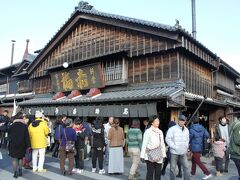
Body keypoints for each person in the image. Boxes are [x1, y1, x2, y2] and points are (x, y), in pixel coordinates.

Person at [140, 115, 166, 180]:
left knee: (158, 173)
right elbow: (144, 144)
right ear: (152, 122)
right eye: (156, 121)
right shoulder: (148, 131)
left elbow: (162, 144)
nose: (158, 122)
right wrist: (142, 155)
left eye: (158, 120)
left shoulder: (160, 132)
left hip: (159, 154)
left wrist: (164, 155)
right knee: (150, 173)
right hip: (149, 155)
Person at [165, 114, 190, 180]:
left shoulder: (186, 130)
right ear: (178, 121)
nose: (182, 122)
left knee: (186, 168)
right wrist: (174, 146)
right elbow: (167, 139)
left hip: (183, 152)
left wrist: (186, 147)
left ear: (185, 121)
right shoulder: (172, 129)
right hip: (174, 152)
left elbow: (187, 139)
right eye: (180, 120)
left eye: (183, 120)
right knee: (172, 169)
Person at [8, 112, 30, 178]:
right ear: (22, 118)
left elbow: (9, 136)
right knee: (20, 157)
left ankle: (15, 172)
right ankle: (20, 170)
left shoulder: (11, 126)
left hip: (13, 144)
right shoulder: (25, 126)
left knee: (14, 159)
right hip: (22, 144)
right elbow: (27, 137)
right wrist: (29, 145)